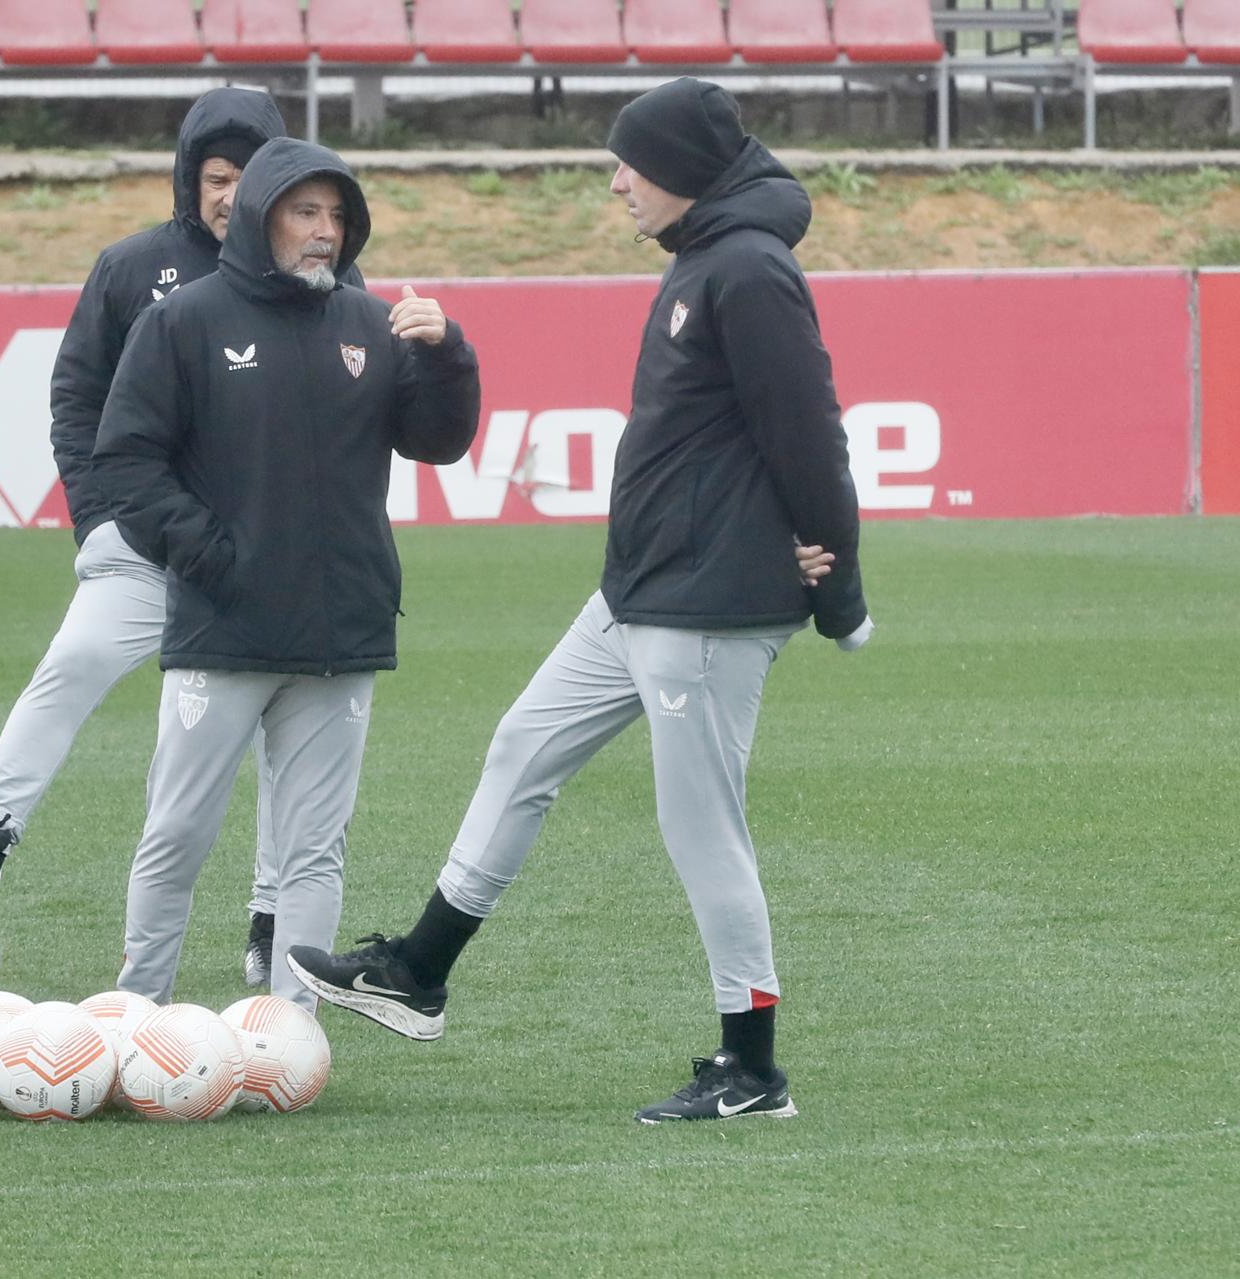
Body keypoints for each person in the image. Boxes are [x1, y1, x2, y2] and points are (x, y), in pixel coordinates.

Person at [286, 78, 874, 1121]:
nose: (615, 184)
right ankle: (421, 969)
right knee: (521, 745)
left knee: (703, 829)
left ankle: (754, 1070)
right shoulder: (706, 260)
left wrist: (842, 592)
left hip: (706, 606)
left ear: (684, 172)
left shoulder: (748, 270)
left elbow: (810, 433)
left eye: (629, 165)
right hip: (641, 592)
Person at [0, 88, 359, 989]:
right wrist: (102, 517)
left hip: (259, 564)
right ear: (188, 177)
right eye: (215, 175)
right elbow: (78, 398)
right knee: (69, 666)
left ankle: (271, 915)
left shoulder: (328, 284)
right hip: (148, 551)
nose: (231, 194)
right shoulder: (133, 268)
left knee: (286, 733)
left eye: (247, 177)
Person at [88, 136, 482, 1014]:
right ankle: (135, 1011)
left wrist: (449, 355)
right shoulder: (182, 321)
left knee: (314, 849)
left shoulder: (369, 323)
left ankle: (288, 1032)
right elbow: (126, 462)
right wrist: (209, 556)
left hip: (339, 636)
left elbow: (437, 441)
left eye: (338, 216)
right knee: (178, 834)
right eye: (306, 212)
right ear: (262, 215)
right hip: (221, 629)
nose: (326, 233)